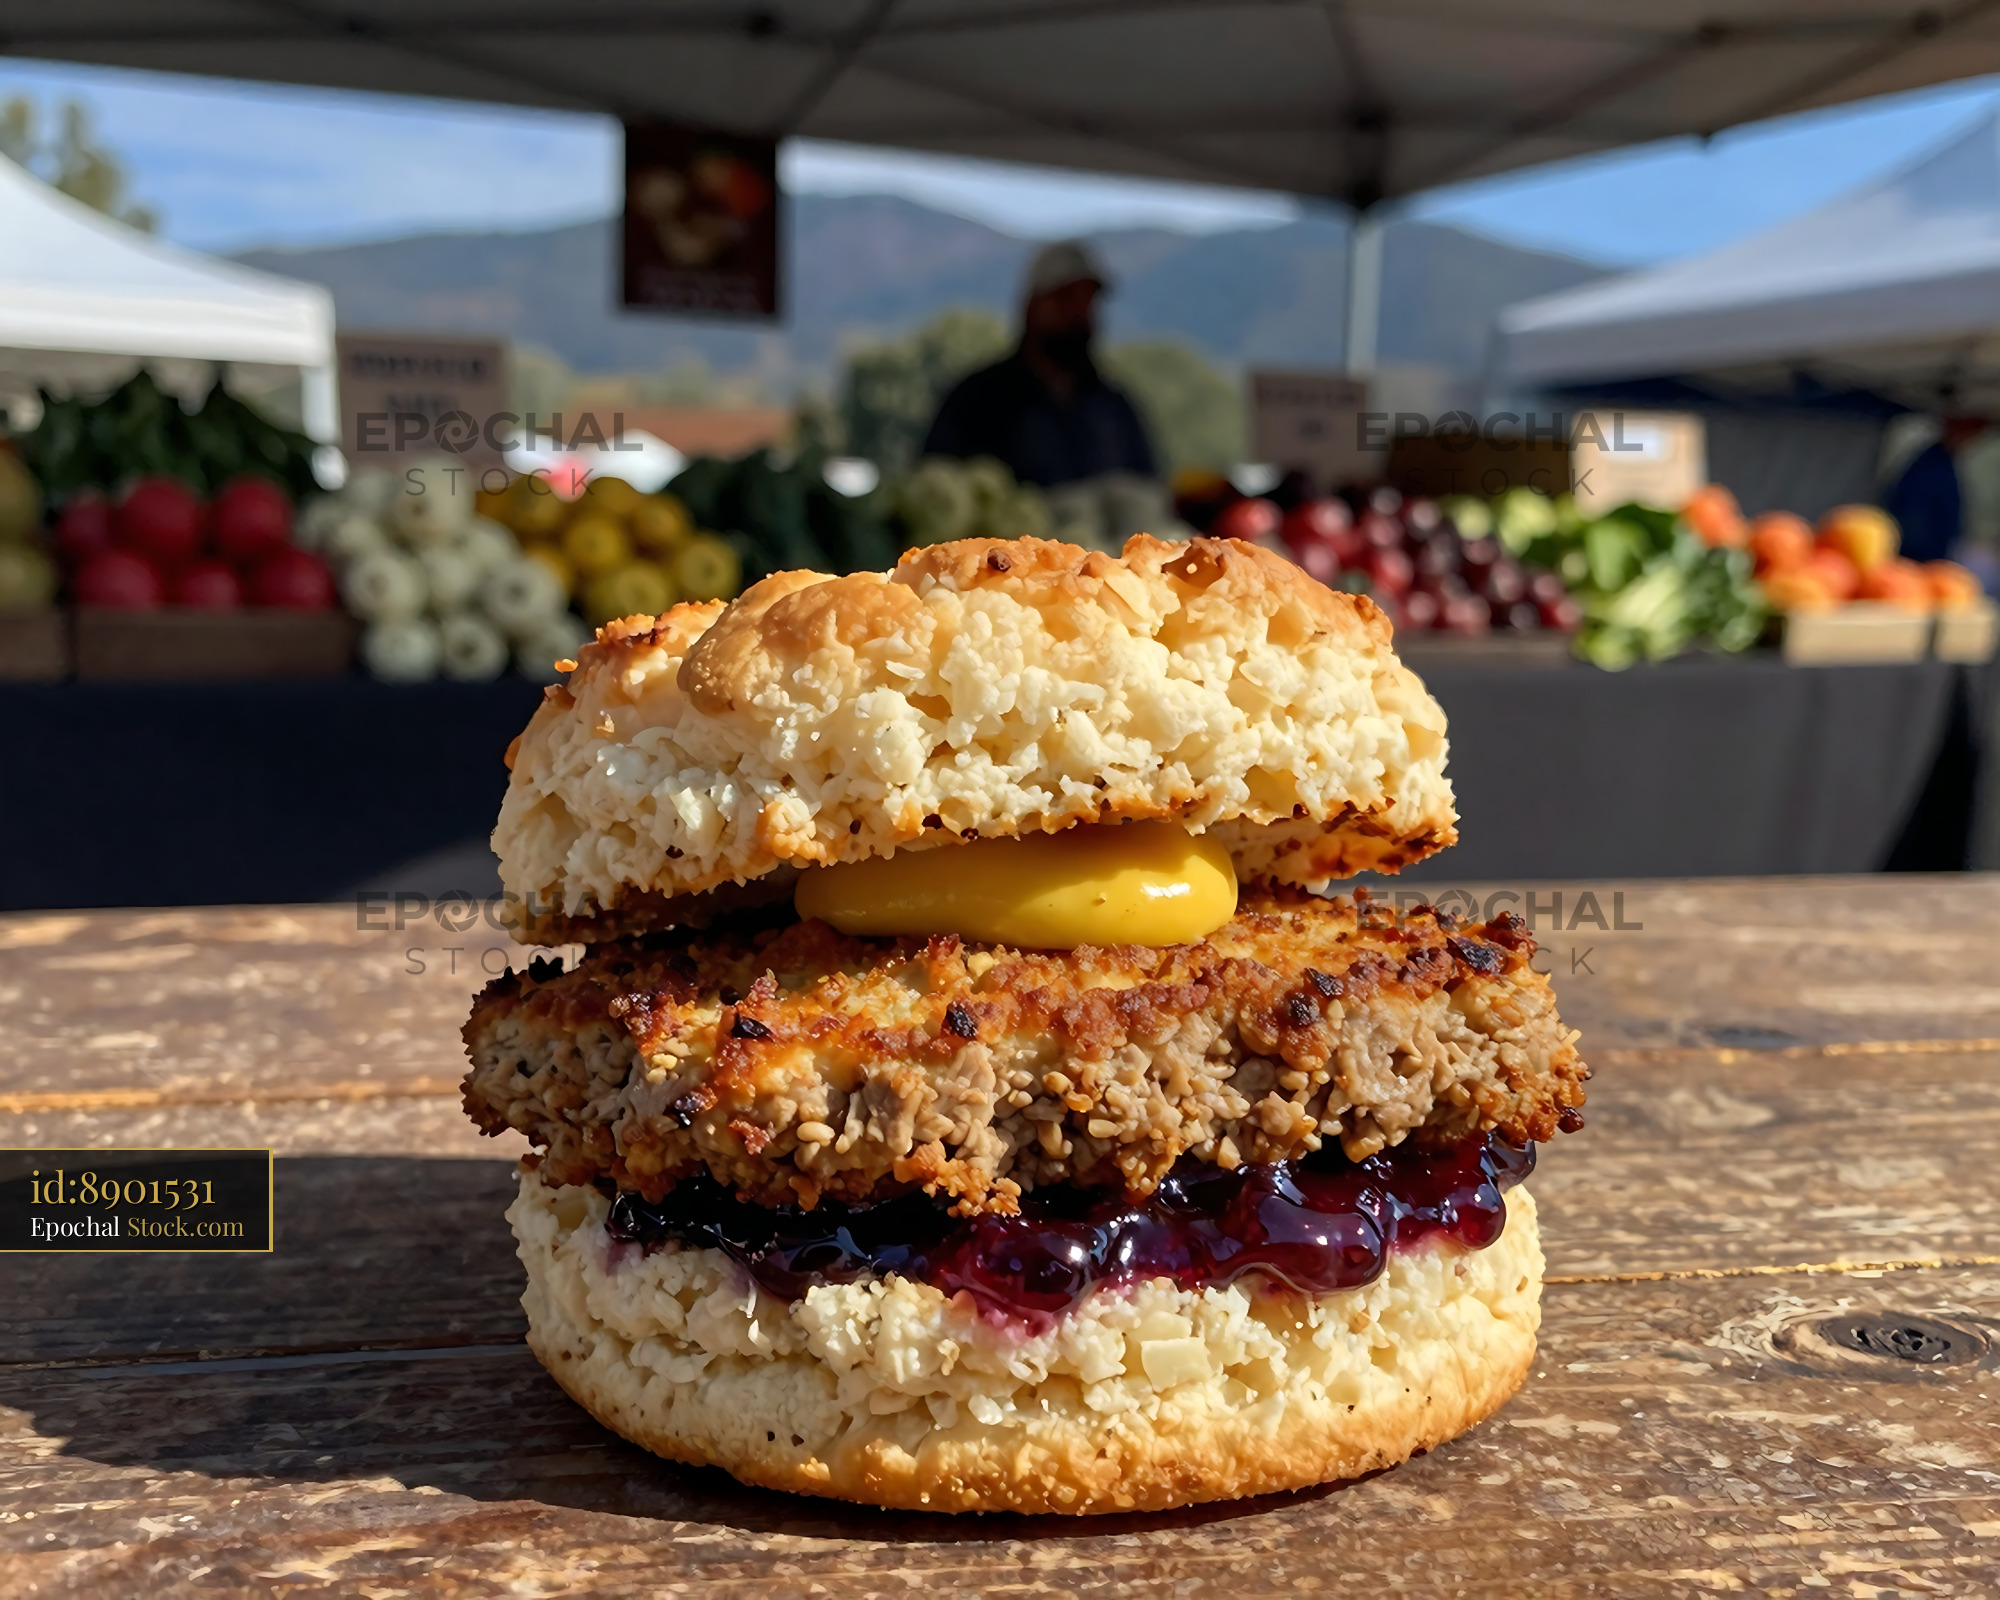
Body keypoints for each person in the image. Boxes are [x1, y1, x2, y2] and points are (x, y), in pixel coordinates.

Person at [922, 241, 1158, 488]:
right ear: (1031, 306)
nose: (1079, 312)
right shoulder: (977, 402)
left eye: (1088, 301)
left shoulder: (1115, 410)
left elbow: (1150, 492)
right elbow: (934, 486)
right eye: (1065, 298)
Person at [1884, 415, 1986, 564]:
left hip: (1932, 552)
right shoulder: (1929, 465)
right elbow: (1912, 514)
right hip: (1917, 554)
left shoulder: (1945, 462)